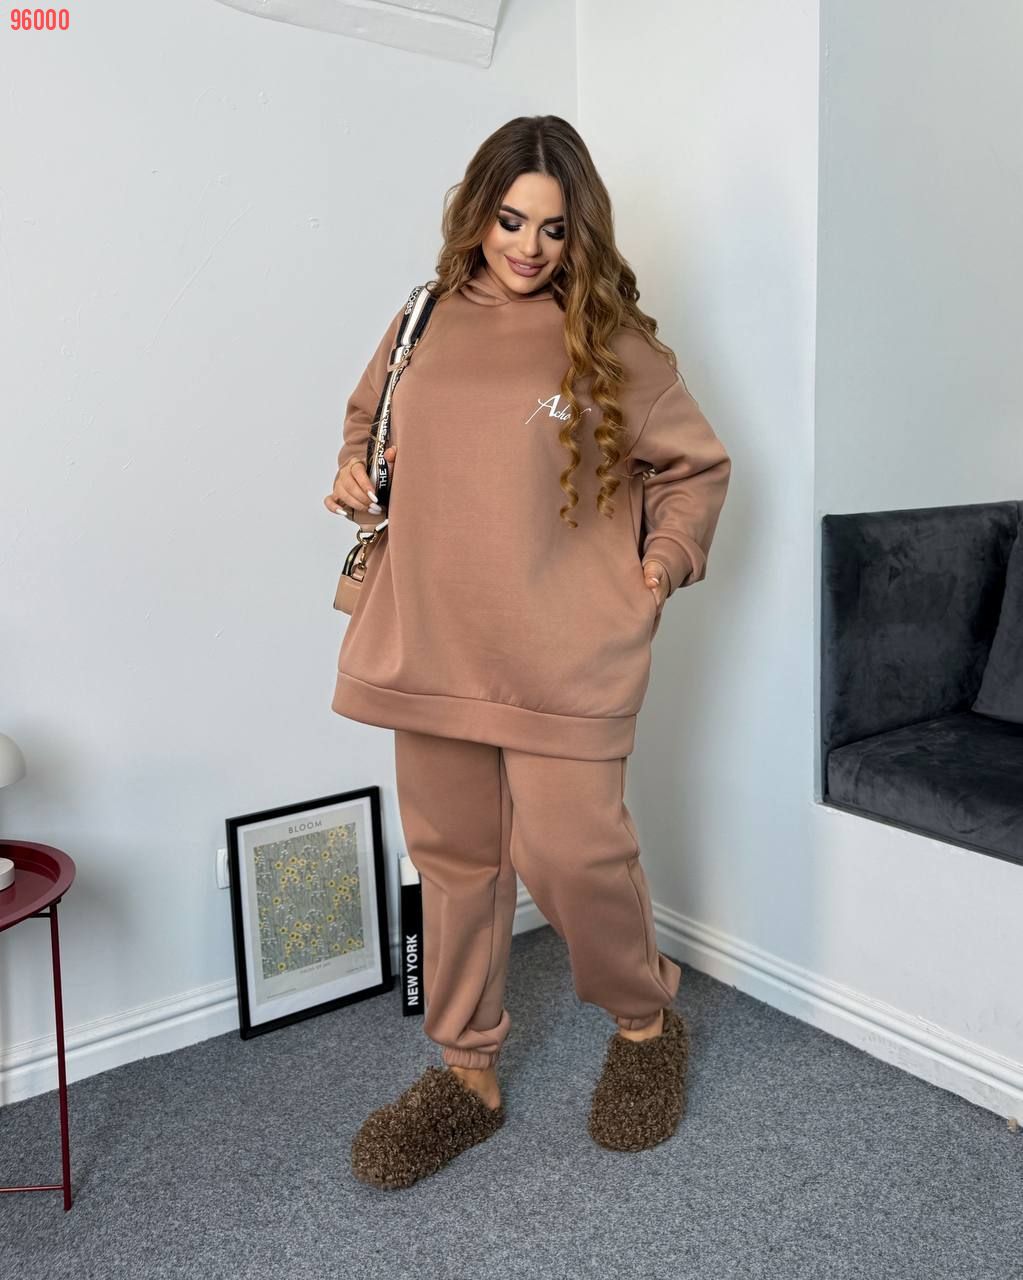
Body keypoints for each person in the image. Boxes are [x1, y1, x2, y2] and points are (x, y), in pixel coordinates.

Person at [323, 115, 731, 1190]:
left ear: (578, 233)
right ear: (478, 212)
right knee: (454, 860)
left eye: (553, 229)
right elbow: (368, 427)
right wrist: (356, 472)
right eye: (510, 220)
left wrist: (662, 564)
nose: (528, 247)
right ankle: (466, 1072)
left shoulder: (612, 343)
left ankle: (646, 1023)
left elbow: (696, 468)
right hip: (433, 637)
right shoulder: (421, 319)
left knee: (571, 853)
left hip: (566, 648)